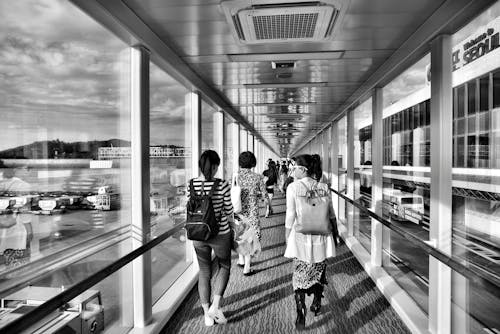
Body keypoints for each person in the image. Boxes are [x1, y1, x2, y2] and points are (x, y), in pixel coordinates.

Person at [284, 154, 337, 330]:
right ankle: (316, 302)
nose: (292, 170)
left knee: (299, 273)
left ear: (303, 169)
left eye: (295, 167)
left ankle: (300, 308)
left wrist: (287, 236)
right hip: (321, 237)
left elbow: (290, 215)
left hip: (301, 238)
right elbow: (330, 214)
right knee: (319, 270)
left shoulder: (293, 187)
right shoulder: (323, 187)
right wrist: (335, 233)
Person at [188, 150, 233, 326]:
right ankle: (215, 305)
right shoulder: (222, 185)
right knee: (225, 266)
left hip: (197, 234)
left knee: (204, 272)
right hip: (219, 233)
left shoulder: (191, 184)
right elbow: (229, 210)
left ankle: (207, 315)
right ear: (214, 166)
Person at [235, 151, 269, 275]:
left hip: (237, 212)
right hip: (252, 212)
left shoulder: (234, 176)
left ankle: (241, 260)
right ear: (253, 163)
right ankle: (247, 267)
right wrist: (267, 205)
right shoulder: (257, 177)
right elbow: (265, 195)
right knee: (251, 237)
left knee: (239, 235)